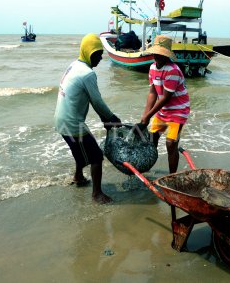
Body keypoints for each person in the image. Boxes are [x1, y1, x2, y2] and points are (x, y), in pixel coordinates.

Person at [54, 33, 121, 204]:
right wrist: (111, 118)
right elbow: (97, 101)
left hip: (61, 119)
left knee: (82, 150)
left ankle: (78, 177)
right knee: (96, 156)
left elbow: (92, 100)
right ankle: (97, 195)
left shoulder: (75, 65)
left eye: (100, 53)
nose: (100, 57)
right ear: (88, 52)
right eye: (97, 54)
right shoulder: (87, 74)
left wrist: (105, 120)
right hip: (72, 124)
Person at [137, 35, 190, 174]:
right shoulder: (152, 68)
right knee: (151, 139)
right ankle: (146, 168)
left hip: (178, 111)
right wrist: (145, 115)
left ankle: (172, 176)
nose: (158, 56)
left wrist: (148, 115)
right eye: (156, 53)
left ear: (167, 55)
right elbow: (152, 93)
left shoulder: (172, 70)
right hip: (163, 111)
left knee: (171, 144)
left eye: (161, 54)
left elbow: (166, 97)